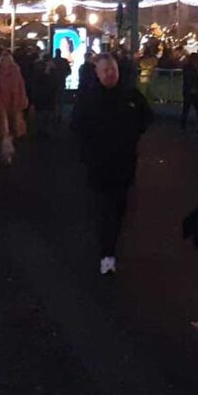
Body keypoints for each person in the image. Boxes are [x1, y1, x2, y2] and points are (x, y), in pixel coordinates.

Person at [71, 52, 152, 275]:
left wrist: (132, 134)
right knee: (101, 208)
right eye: (106, 70)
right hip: (98, 164)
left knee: (118, 209)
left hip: (123, 164)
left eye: (113, 70)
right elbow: (76, 125)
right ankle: (106, 252)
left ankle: (109, 247)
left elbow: (147, 117)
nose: (110, 74)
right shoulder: (88, 98)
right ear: (97, 73)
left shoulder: (131, 95)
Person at [0, 50, 29, 165]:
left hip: (12, 104)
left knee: (10, 130)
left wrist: (22, 100)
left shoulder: (15, 72)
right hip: (1, 105)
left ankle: (7, 151)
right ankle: (6, 153)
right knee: (4, 131)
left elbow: (21, 87)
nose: (5, 63)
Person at [181, 52, 198, 130]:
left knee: (186, 109)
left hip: (187, 90)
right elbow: (192, 79)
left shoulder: (186, 68)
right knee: (197, 109)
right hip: (193, 91)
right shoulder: (193, 69)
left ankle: (183, 126)